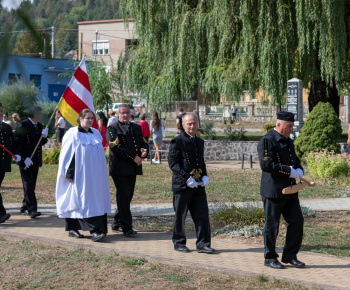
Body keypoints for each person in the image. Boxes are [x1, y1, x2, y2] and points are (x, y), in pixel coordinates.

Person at [257, 111, 305, 269]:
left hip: (290, 190)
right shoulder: (267, 140)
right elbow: (266, 164)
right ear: (279, 125)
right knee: (272, 225)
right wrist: (289, 170)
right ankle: (269, 257)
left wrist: (299, 169)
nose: (291, 129)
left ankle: (290, 256)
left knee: (297, 221)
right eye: (288, 126)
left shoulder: (288, 140)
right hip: (274, 191)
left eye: (292, 126)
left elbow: (295, 159)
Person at [55, 109, 111, 242]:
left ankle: (73, 228)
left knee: (94, 199)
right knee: (80, 200)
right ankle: (94, 231)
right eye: (87, 118)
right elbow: (67, 155)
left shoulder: (96, 133)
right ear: (80, 118)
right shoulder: (72, 134)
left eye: (92, 118)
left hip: (95, 176)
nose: (90, 120)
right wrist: (68, 173)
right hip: (79, 175)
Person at [168, 113, 215, 254]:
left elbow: (200, 162)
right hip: (182, 186)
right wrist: (187, 178)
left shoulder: (199, 142)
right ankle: (179, 243)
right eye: (189, 124)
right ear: (183, 125)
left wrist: (205, 175)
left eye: (194, 123)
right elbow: (173, 163)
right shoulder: (177, 141)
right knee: (180, 216)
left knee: (202, 215)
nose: (192, 126)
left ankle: (203, 244)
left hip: (198, 185)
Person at [106, 103, 149, 236]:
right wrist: (133, 157)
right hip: (119, 168)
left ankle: (117, 223)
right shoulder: (112, 128)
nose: (125, 115)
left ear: (130, 114)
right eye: (122, 113)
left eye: (127, 113)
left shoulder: (136, 127)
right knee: (123, 196)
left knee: (127, 196)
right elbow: (115, 147)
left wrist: (144, 151)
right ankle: (127, 227)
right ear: (118, 114)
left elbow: (144, 141)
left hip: (133, 168)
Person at [15, 106, 48, 218]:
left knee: (31, 185)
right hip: (26, 160)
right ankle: (32, 209)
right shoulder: (22, 125)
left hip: (35, 160)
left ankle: (25, 206)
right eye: (40, 113)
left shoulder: (39, 126)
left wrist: (44, 136)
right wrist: (24, 158)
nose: (41, 115)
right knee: (28, 184)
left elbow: (41, 143)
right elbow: (18, 144)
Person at [0, 103, 21, 224]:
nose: (0, 114)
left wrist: (16, 154)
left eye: (1, 111)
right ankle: (1, 213)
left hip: (2, 164)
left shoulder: (6, 127)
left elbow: (13, 143)